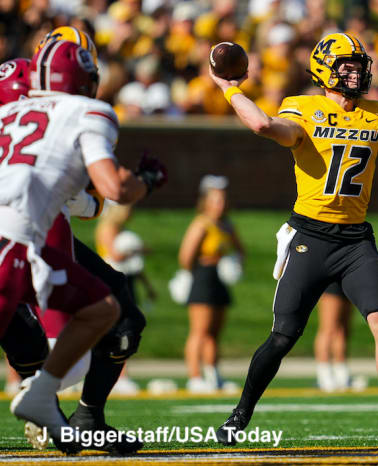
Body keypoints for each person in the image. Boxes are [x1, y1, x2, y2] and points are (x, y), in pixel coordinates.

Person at [209, 31, 378, 446]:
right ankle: (240, 413)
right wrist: (230, 90)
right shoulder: (303, 108)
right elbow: (263, 124)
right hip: (310, 237)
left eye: (358, 65)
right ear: (323, 70)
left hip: (355, 242)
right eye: (346, 66)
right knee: (283, 336)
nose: (356, 73)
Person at [0, 41, 165, 453]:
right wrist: (146, 179)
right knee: (74, 332)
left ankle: (55, 404)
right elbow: (110, 191)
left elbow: (86, 204)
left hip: (30, 241)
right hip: (16, 240)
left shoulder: (9, 114)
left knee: (108, 310)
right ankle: (43, 397)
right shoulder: (84, 112)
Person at [178, 175, 244, 393]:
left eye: (223, 200)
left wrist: (233, 262)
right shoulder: (201, 223)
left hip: (220, 278)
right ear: (206, 201)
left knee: (215, 331)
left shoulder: (226, 225)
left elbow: (240, 249)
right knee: (200, 330)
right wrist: (203, 265)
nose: (220, 205)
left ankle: (213, 374)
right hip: (203, 278)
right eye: (216, 200)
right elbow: (186, 257)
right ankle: (194, 376)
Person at [314, 283, 366, 392]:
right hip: (332, 280)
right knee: (328, 328)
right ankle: (324, 377)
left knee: (343, 329)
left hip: (347, 278)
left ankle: (342, 377)